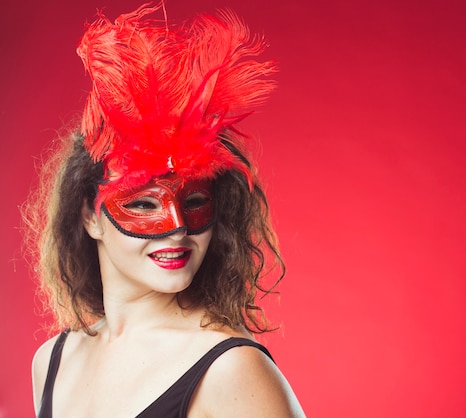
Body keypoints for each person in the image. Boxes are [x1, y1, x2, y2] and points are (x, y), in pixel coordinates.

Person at [23, 3, 305, 417]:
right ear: (88, 215)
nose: (177, 229)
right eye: (142, 203)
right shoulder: (51, 362)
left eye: (193, 202)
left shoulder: (231, 370)